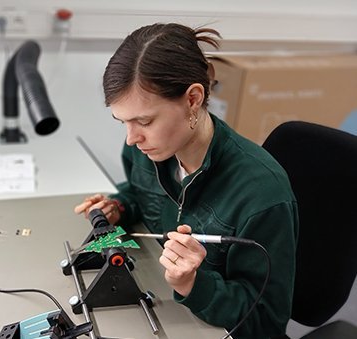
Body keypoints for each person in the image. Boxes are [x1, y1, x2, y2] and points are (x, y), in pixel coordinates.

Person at [74, 23, 298, 339]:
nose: (131, 139)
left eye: (144, 121)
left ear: (193, 99)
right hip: (159, 303)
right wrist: (119, 207)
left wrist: (194, 284)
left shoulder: (262, 194)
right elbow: (143, 197)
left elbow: (265, 323)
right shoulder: (151, 149)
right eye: (123, 122)